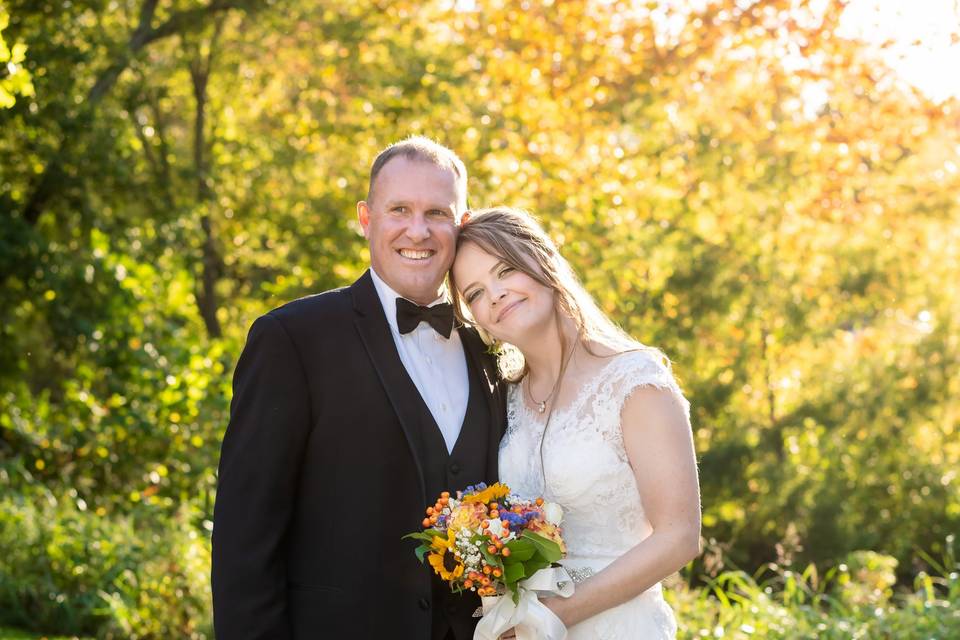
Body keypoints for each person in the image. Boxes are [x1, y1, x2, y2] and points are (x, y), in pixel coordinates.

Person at [212, 137, 506, 639]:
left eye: (437, 212)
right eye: (399, 210)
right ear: (366, 219)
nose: (418, 230)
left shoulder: (493, 348)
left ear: (462, 222)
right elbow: (245, 540)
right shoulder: (293, 339)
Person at [449, 207, 701, 639]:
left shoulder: (634, 381)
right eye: (474, 293)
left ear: (544, 259)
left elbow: (679, 537)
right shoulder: (500, 399)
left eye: (505, 270)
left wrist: (550, 618)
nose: (494, 295)